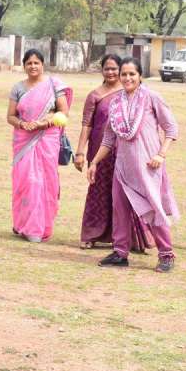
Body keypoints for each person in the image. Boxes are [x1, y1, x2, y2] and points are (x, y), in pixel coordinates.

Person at [88, 57, 179, 272]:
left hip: (148, 167)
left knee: (153, 210)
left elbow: (171, 128)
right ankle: (120, 253)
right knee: (119, 210)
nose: (127, 78)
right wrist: (94, 162)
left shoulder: (151, 98)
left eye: (132, 74)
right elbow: (109, 138)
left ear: (140, 76)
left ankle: (166, 254)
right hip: (122, 168)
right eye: (124, 74)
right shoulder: (115, 103)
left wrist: (161, 155)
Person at [75, 54, 153, 251]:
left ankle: (133, 239)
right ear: (102, 71)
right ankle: (92, 234)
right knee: (98, 192)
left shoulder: (129, 93)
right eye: (106, 68)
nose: (110, 72)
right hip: (100, 151)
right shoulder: (94, 96)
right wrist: (80, 152)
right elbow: (86, 125)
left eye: (114, 69)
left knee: (128, 193)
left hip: (126, 151)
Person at [6, 48, 73, 243]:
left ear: (42, 65)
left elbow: (63, 113)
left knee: (44, 182)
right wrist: (22, 124)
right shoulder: (18, 88)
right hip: (24, 141)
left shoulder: (53, 84)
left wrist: (44, 123)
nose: (33, 66)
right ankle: (23, 224)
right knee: (26, 183)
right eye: (29, 63)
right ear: (24, 66)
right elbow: (10, 116)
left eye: (36, 63)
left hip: (47, 139)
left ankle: (39, 227)